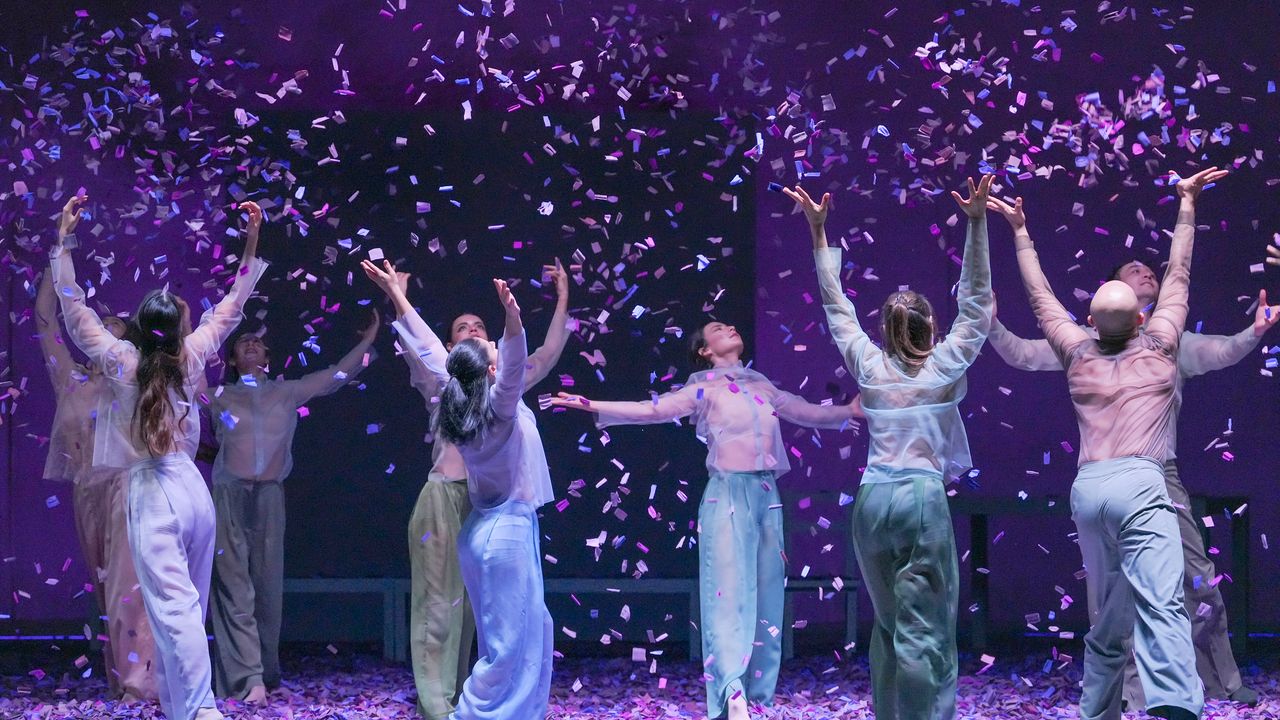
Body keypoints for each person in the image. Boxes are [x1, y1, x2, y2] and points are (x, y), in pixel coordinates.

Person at [985, 247, 1275, 710]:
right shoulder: (1084, 343)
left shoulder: (1167, 339)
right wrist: (991, 324)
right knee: (1117, 596)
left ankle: (1218, 679)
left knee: (1195, 577)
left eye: (1148, 268)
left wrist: (1253, 333)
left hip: (1158, 474)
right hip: (1108, 476)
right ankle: (1132, 692)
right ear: (1109, 294)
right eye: (1131, 270)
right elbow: (1022, 352)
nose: (1144, 271)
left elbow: (1219, 351)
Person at [550, 318, 861, 718]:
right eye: (718, 328)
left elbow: (804, 411)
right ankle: (732, 690)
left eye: (730, 325)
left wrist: (849, 411)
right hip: (726, 495)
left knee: (767, 592)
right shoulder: (703, 389)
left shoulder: (762, 386)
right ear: (705, 351)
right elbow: (652, 410)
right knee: (728, 594)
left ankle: (758, 695)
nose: (730, 327)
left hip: (767, 496)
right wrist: (593, 405)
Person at [51, 194, 268, 720]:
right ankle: (180, 708)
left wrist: (64, 242)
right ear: (174, 330)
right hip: (193, 489)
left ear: (139, 327)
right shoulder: (190, 355)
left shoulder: (122, 361)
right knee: (186, 604)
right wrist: (251, 242)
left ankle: (201, 709)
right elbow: (232, 306)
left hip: (153, 492)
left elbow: (74, 311)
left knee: (173, 610)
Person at [786, 177, 993, 720]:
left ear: (884, 328)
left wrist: (818, 232)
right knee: (925, 632)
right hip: (919, 500)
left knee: (888, 626)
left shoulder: (870, 366)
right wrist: (976, 224)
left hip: (872, 500)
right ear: (931, 327)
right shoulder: (943, 365)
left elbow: (836, 307)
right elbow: (976, 306)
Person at [365, 259, 555, 720]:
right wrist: (512, 319)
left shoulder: (463, 402)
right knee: (510, 641)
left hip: (486, 527)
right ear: (489, 369)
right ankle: (466, 714)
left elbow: (430, 348)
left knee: (522, 630)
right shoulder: (499, 407)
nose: (486, 340)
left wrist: (398, 296)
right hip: (504, 528)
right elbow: (511, 362)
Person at [207, 312, 380, 703]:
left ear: (268, 356)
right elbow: (184, 377)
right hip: (229, 495)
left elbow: (336, 375)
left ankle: (265, 673)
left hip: (269, 496)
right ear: (232, 359)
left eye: (257, 341)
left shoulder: (286, 392)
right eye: (243, 342)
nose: (251, 344)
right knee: (233, 588)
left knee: (267, 588)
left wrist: (367, 339)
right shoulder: (219, 396)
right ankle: (246, 678)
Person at [35, 271, 157, 702]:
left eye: (115, 326)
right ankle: (121, 679)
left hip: (127, 485)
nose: (105, 330)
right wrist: (55, 263)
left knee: (128, 587)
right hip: (86, 490)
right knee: (105, 590)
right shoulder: (70, 380)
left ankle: (139, 684)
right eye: (99, 326)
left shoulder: (132, 379)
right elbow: (45, 321)